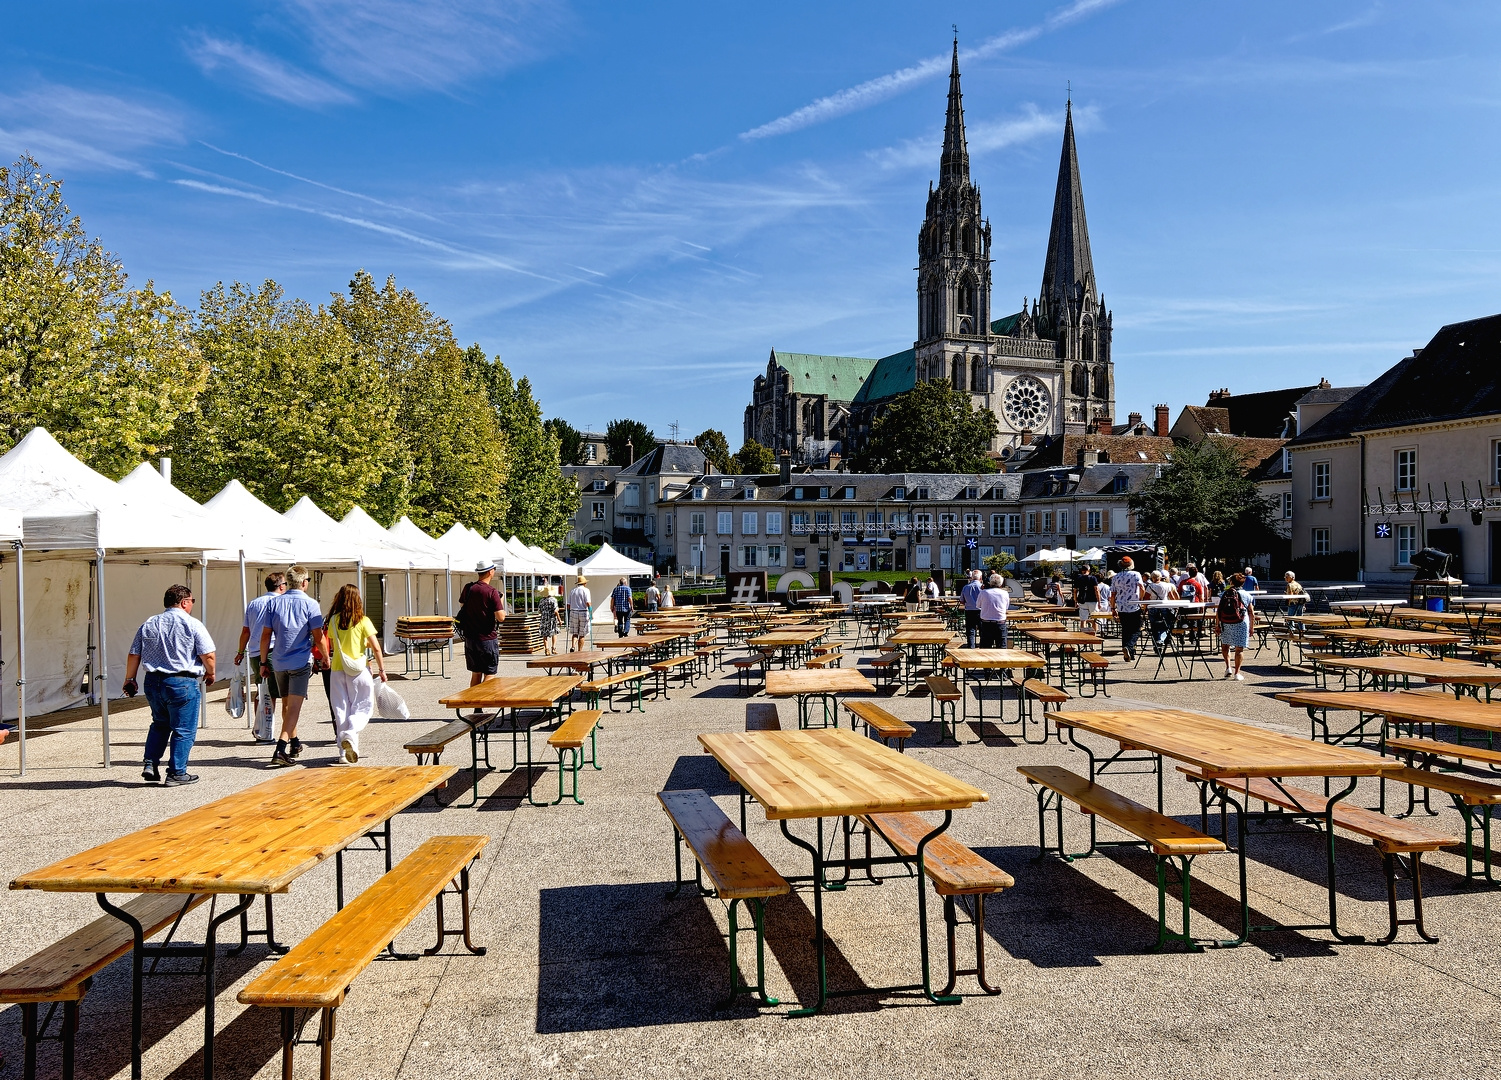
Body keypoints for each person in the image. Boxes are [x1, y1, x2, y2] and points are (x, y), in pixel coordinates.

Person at [124, 584, 216, 786]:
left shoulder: (149, 623)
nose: (192, 605)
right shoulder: (192, 624)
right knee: (184, 729)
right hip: (182, 682)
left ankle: (150, 762)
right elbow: (208, 654)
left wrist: (130, 679)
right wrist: (211, 672)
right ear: (184, 602)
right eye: (192, 601)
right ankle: (176, 772)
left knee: (159, 723)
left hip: (154, 682)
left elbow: (134, 653)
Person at [259, 566, 327, 768]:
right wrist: (325, 656)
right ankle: (280, 747)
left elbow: (265, 635)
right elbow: (318, 635)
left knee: (287, 704)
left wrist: (263, 662)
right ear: (304, 582)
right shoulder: (311, 604)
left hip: (279, 659)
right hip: (300, 660)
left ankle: (294, 742)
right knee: (295, 706)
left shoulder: (274, 603)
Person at [323, 584, 386, 763]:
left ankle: (344, 753)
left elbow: (335, 646)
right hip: (359, 669)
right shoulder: (363, 620)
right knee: (363, 707)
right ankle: (350, 733)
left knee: (340, 709)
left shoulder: (333, 620)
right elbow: (376, 647)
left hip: (337, 669)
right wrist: (381, 670)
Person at [234, 571, 286, 741]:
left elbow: (245, 631)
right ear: (281, 586)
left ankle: (261, 728)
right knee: (272, 693)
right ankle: (265, 730)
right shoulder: (280, 602)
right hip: (272, 650)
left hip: (255, 651)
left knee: (262, 690)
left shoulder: (254, 603)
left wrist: (241, 652)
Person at [457, 561, 505, 690]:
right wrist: (501, 602)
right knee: (490, 673)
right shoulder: (492, 592)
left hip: (470, 638)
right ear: (491, 572)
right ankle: (483, 700)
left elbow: (463, 606)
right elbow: (501, 617)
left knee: (476, 673)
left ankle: (476, 706)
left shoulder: (468, 588)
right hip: (487, 638)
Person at [1218, 572, 1256, 680]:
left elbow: (1219, 610)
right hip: (1241, 622)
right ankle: (1237, 673)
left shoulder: (1225, 593)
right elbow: (1251, 612)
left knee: (1225, 645)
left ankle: (1228, 667)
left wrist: (1217, 624)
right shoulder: (1247, 595)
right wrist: (1251, 627)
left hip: (1226, 621)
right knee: (1239, 649)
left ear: (1231, 582)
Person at [1109, 556, 1147, 662]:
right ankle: (1129, 647)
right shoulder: (1136, 574)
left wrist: (1113, 607)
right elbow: (1142, 588)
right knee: (1136, 629)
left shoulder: (1116, 577)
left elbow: (1113, 594)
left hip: (1121, 606)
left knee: (1126, 629)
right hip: (1134, 605)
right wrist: (1140, 599)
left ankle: (1128, 652)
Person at [977, 573, 1010, 648]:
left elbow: (978, 605)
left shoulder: (983, 592)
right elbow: (1006, 607)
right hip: (1000, 622)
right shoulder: (1005, 593)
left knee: (985, 649)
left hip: (986, 623)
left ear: (990, 582)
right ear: (1001, 583)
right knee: (1001, 648)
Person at [567, 575, 592, 651]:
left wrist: (569, 614)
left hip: (573, 611)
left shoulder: (573, 591)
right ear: (584, 583)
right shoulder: (586, 590)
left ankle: (573, 646)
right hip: (583, 612)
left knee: (575, 633)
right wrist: (591, 613)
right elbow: (588, 603)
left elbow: (568, 605)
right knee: (582, 634)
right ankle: (579, 650)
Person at [960, 569, 984, 648]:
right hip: (981, 611)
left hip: (969, 611)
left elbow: (962, 601)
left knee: (970, 630)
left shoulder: (965, 587)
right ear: (980, 577)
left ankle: (971, 648)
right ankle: (982, 647)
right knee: (982, 630)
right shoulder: (982, 587)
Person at [537, 584, 561, 655]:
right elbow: (556, 611)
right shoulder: (554, 600)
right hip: (552, 619)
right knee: (554, 633)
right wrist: (559, 620)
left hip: (544, 619)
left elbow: (539, 611)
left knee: (544, 635)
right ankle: (553, 648)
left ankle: (546, 649)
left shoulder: (541, 600)